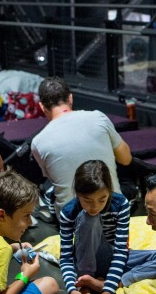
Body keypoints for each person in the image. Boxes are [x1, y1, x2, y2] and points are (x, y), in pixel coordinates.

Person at [60, 160, 156, 294]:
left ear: (109, 192)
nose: (95, 206)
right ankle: (85, 282)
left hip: (111, 257)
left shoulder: (120, 204)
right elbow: (66, 257)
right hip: (84, 261)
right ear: (78, 194)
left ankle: (111, 282)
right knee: (90, 218)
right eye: (87, 200)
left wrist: (109, 288)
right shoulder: (68, 212)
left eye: (102, 199)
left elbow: (120, 250)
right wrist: (72, 289)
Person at [30, 76, 133, 217]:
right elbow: (126, 159)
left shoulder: (37, 142)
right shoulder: (98, 118)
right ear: (70, 98)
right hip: (111, 211)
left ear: (42, 106)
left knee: (50, 189)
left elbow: (54, 178)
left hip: (70, 220)